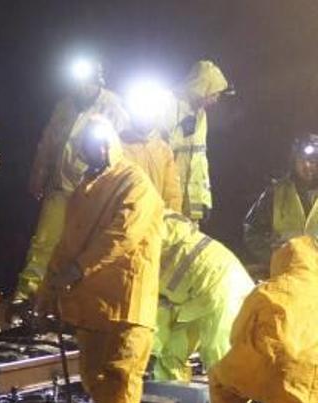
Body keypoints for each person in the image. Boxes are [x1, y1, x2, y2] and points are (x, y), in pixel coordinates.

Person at [37, 118, 164, 403]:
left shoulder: (135, 183)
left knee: (120, 375)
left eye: (100, 143)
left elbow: (122, 235)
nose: (96, 150)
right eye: (89, 145)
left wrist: (79, 268)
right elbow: (67, 243)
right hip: (93, 303)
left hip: (127, 299)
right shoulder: (86, 188)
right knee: (95, 377)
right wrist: (47, 289)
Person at [15, 57, 129, 301]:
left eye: (84, 84)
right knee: (44, 242)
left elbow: (123, 149)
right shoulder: (65, 105)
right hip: (60, 186)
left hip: (92, 192)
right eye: (76, 84)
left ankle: (75, 300)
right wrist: (38, 173)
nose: (80, 89)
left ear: (97, 82)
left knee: (86, 247)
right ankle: (28, 296)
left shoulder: (112, 106)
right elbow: (48, 142)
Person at [209, 236, 318, 403]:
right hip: (312, 376)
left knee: (221, 381)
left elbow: (238, 333)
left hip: (274, 362)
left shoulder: (267, 290)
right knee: (292, 396)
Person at [152, 212, 253, 381]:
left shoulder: (143, 229)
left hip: (223, 288)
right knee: (168, 355)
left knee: (220, 358)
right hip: (192, 298)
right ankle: (172, 398)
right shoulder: (149, 226)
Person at [163, 60, 232, 223]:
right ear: (201, 88)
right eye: (214, 94)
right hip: (165, 194)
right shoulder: (167, 103)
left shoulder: (201, 116)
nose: (216, 100)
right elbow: (154, 149)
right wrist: (181, 132)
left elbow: (200, 160)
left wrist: (204, 200)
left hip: (189, 205)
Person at [243, 133, 318, 272]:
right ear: (293, 162)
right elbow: (251, 230)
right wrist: (274, 257)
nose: (307, 166)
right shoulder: (276, 192)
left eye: (313, 161)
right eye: (301, 160)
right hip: (285, 274)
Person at [120, 80, 183, 212]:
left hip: (156, 223)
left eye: (149, 110)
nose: (145, 116)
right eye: (140, 110)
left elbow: (172, 193)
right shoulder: (117, 147)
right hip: (126, 224)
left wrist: (171, 219)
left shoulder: (163, 149)